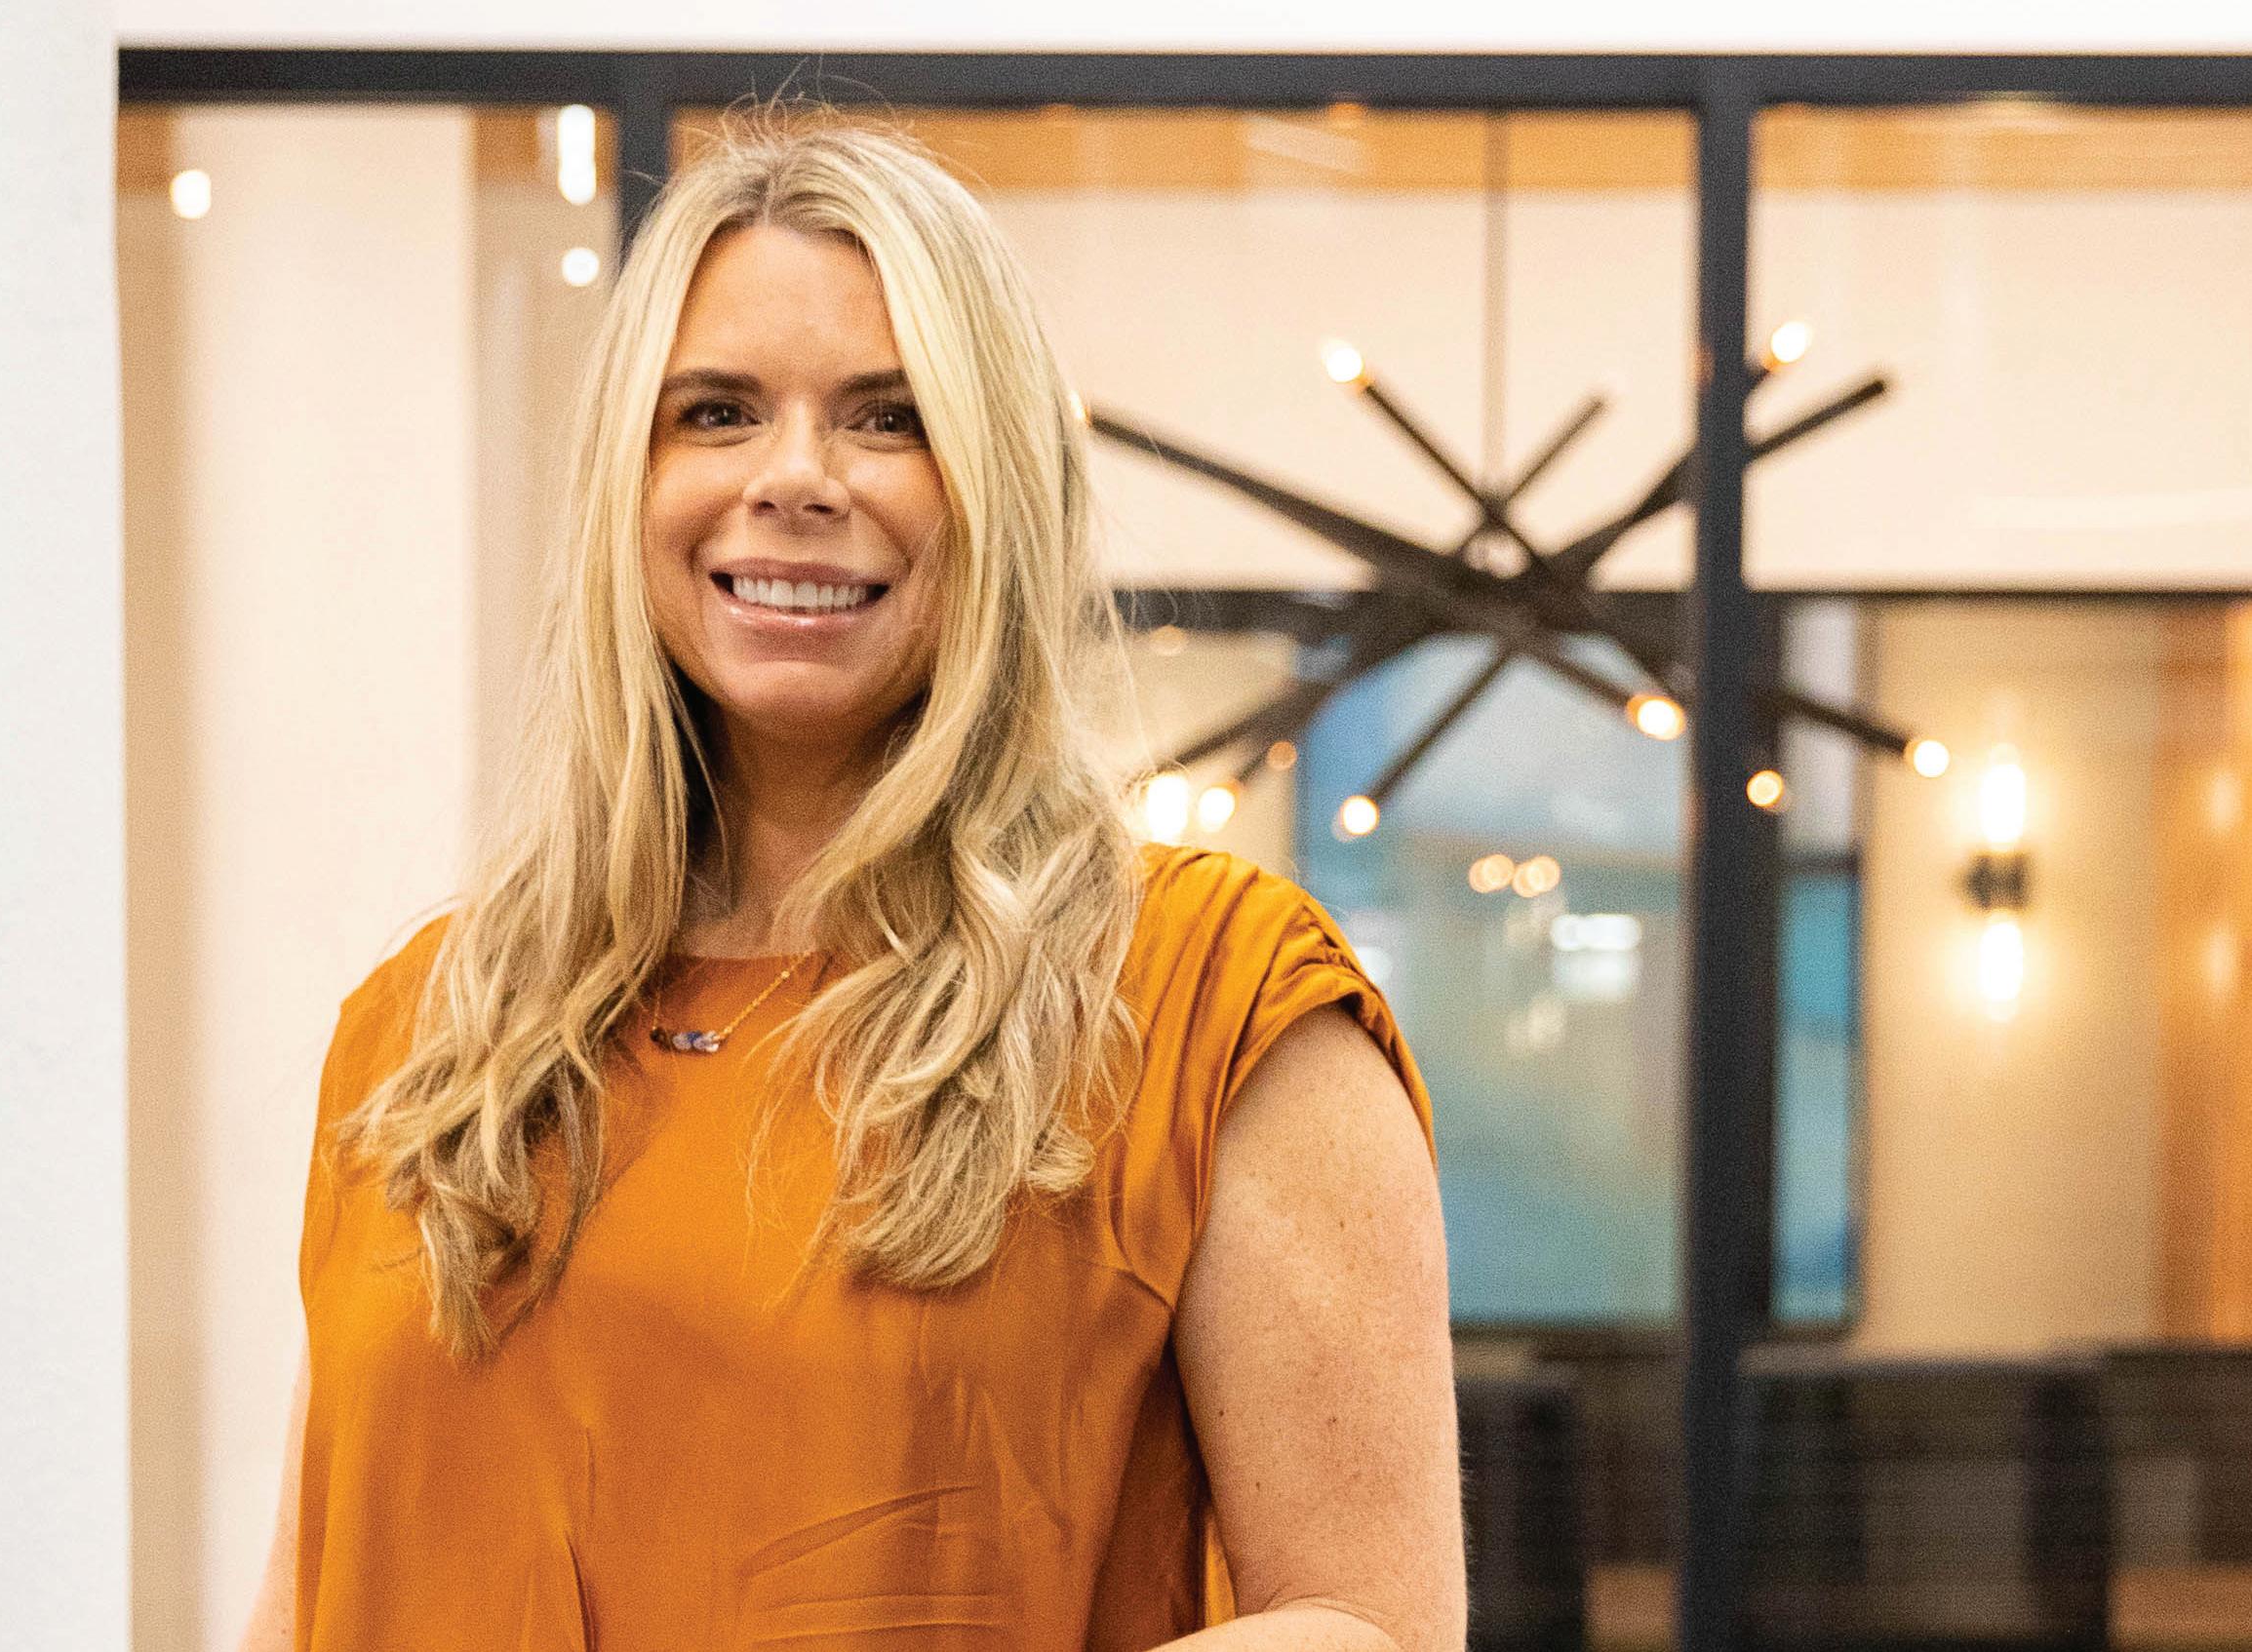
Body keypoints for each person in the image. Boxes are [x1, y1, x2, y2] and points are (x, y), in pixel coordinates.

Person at [244, 110, 1462, 1652]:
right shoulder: (430, 1032)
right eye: (717, 412)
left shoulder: (1213, 1000)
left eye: (890, 417)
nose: (796, 477)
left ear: (999, 488)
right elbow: (307, 1599)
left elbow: (1369, 1623)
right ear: (626, 480)